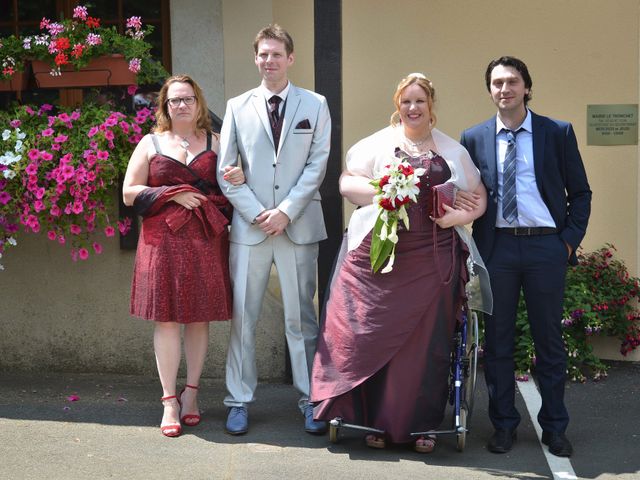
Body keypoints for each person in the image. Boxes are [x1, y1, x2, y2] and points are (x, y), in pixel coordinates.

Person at [310, 73, 488, 453]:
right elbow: (346, 183)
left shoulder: (451, 151)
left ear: (431, 105)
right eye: (406, 101)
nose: (412, 108)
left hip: (433, 254)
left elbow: (477, 197)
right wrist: (382, 192)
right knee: (370, 332)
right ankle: (376, 421)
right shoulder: (377, 145)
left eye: (420, 101)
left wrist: (457, 218)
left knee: (424, 343)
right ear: (398, 105)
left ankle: (420, 423)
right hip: (383, 254)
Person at [459, 56, 591, 457]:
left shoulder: (557, 132)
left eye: (512, 82)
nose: (504, 89)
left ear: (526, 87)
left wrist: (566, 243)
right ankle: (503, 425)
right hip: (497, 248)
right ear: (490, 91)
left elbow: (580, 193)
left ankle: (554, 427)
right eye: (497, 83)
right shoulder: (474, 138)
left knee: (548, 340)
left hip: (544, 247)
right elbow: (467, 193)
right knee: (497, 343)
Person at [216, 24, 331, 435]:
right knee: (243, 316)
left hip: (298, 225)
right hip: (250, 229)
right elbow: (226, 171)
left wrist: (284, 211)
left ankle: (311, 397)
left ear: (291, 58)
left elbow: (317, 165)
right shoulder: (237, 106)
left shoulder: (315, 104)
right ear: (256, 58)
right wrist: (258, 213)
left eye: (276, 54)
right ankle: (238, 400)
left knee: (301, 317)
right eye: (263, 54)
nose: (269, 61)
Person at [123, 74, 244, 437]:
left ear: (198, 102)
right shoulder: (150, 142)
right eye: (174, 100)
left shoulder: (218, 142)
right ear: (165, 106)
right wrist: (172, 193)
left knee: (198, 318)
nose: (181, 105)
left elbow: (236, 184)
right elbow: (130, 193)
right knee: (167, 320)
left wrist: (237, 176)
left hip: (205, 240)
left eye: (188, 99)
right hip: (161, 242)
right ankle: (169, 401)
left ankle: (191, 395)